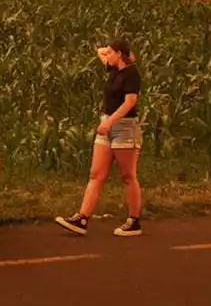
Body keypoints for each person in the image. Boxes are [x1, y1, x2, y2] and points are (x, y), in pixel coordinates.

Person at [54, 38, 144, 237]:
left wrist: (109, 121)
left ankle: (134, 220)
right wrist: (115, 51)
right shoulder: (113, 69)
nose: (107, 55)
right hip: (107, 125)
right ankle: (82, 217)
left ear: (119, 54)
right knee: (96, 174)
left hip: (124, 127)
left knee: (128, 176)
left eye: (112, 52)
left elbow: (130, 102)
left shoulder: (131, 73)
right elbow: (99, 51)